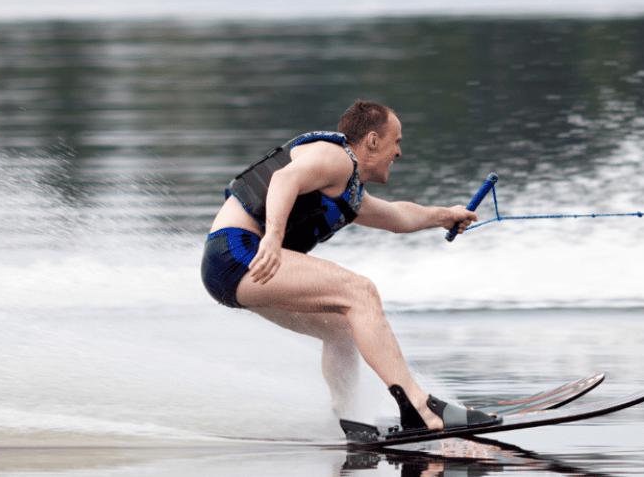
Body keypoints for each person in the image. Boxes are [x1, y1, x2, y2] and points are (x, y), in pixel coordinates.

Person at [201, 100, 499, 432]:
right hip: (239, 252)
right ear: (373, 140)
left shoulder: (348, 191)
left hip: (234, 269)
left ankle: (351, 422)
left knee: (341, 330)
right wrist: (272, 237)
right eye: (396, 141)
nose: (399, 153)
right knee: (360, 291)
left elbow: (398, 216)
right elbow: (285, 179)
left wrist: (446, 215)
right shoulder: (337, 157)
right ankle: (419, 409)